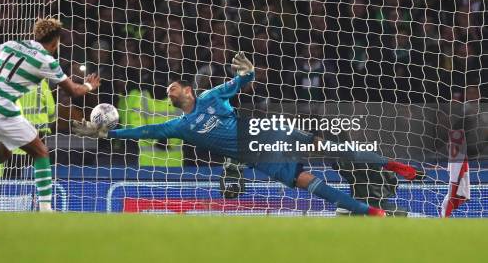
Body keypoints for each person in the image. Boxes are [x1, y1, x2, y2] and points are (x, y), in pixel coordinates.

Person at [72, 52, 423, 216]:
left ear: (188, 91)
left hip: (264, 132)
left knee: (328, 147)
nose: (170, 89)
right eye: (169, 89)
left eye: (173, 86)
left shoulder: (211, 96)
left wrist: (248, 73)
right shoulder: (177, 125)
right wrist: (108, 135)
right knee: (308, 181)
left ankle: (392, 164)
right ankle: (371, 212)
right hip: (259, 155)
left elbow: (240, 82)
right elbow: (142, 130)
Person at [0, 18, 100, 211]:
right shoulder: (46, 60)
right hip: (1, 110)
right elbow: (74, 91)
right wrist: (90, 85)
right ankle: (46, 210)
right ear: (54, 42)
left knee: (2, 154)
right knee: (41, 152)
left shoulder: (12, 45)